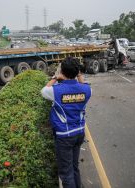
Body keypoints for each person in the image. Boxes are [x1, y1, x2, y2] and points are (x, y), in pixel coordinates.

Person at [41, 57, 91, 188]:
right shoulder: (86, 90)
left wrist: (55, 77)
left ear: (62, 71)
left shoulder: (56, 91)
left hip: (64, 136)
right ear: (77, 72)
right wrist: (78, 74)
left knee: (66, 173)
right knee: (74, 167)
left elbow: (43, 90)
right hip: (79, 133)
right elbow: (83, 84)